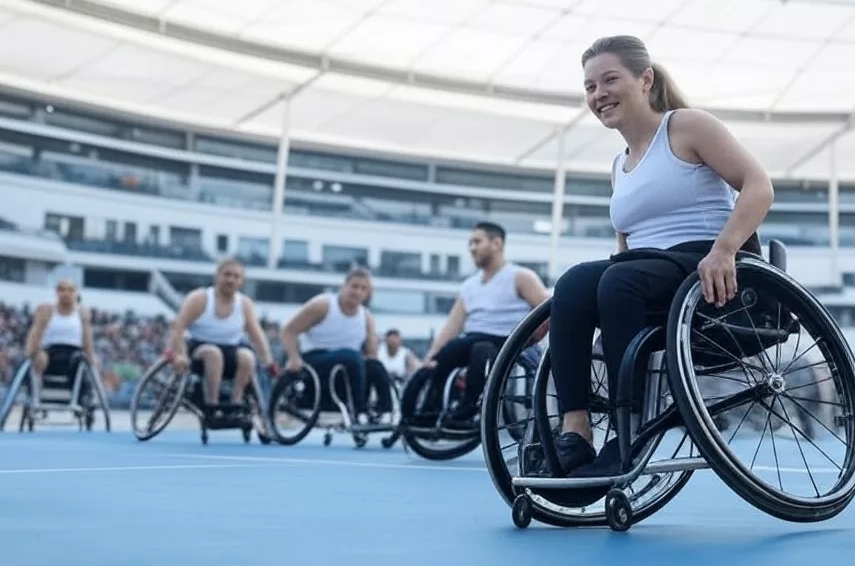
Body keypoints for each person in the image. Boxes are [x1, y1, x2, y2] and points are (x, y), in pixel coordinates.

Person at [545, 35, 775, 477]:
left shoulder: (686, 126)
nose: (599, 94)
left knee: (619, 282)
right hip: (645, 272)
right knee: (574, 284)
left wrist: (725, 249)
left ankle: (629, 427)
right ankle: (574, 430)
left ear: (645, 79)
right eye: (590, 87)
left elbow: (758, 184)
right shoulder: (619, 165)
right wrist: (567, 312)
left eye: (610, 80)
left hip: (707, 265)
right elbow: (624, 251)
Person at [412, 221, 549, 429]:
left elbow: (547, 312)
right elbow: (452, 325)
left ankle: (471, 408)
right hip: (474, 338)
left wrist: (531, 339)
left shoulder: (521, 277)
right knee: (447, 353)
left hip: (506, 341)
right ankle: (433, 408)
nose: (471, 248)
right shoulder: (469, 285)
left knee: (480, 349)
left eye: (477, 242)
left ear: (496, 243)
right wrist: (431, 356)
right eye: (470, 243)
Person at [280, 267, 394, 423]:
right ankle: (358, 411)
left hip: (350, 367)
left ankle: (385, 411)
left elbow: (371, 355)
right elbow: (288, 331)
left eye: (363, 289)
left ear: (368, 294)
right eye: (354, 286)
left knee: (375, 365)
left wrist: (375, 342)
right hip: (316, 360)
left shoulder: (367, 317)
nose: (357, 292)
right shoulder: (323, 305)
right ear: (344, 286)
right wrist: (293, 358)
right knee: (351, 356)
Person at [169, 257, 276, 413]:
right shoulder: (200, 298)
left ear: (241, 281)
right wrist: (179, 354)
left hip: (231, 349)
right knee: (214, 353)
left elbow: (257, 335)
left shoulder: (244, 304)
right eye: (227, 275)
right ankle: (212, 402)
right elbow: (178, 327)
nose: (230, 280)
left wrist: (269, 362)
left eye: (236, 276)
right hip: (200, 348)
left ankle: (236, 400)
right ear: (217, 276)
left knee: (248, 356)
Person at [23, 278, 96, 409]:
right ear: (56, 293)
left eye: (70, 290)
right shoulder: (47, 310)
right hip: (50, 353)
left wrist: (92, 359)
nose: (65, 293)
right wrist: (30, 354)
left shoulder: (82, 312)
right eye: (61, 290)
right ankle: (34, 394)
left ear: (76, 293)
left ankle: (82, 397)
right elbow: (35, 334)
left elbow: (87, 340)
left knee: (81, 361)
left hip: (74, 354)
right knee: (39, 358)